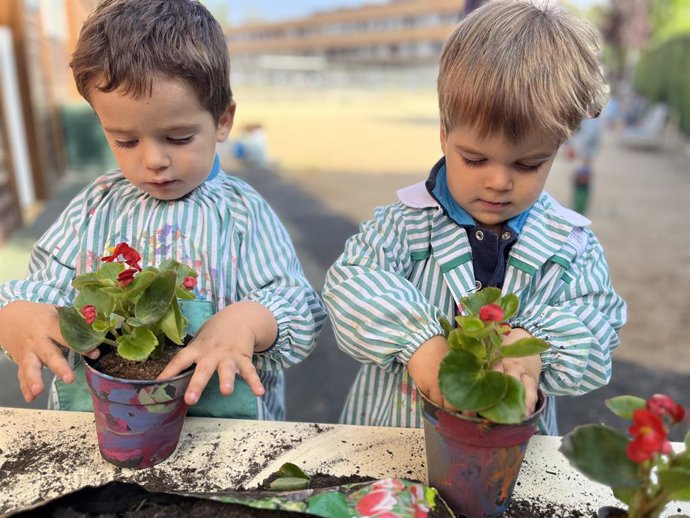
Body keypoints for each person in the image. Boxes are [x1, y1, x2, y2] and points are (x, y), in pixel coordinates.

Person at [0, 0, 325, 421]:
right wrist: (16, 312)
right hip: (107, 425)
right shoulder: (96, 205)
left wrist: (248, 321)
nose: (153, 160)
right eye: (126, 141)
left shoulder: (242, 213)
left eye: (178, 137)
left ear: (222, 120)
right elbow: (47, 287)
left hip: (226, 434)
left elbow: (298, 305)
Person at [323, 1, 626, 435]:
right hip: (394, 437)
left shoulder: (570, 245)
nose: (499, 182)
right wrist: (421, 343)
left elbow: (598, 324)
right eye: (475, 158)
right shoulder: (405, 225)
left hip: (511, 456)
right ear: (445, 135)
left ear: (556, 151)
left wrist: (532, 349)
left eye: (528, 165)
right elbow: (352, 282)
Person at [564, 116, 603, 215]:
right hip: (585, 156)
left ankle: (580, 208)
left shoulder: (590, 121)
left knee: (582, 180)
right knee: (580, 180)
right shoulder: (591, 120)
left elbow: (588, 136)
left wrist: (574, 148)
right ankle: (579, 206)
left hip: (584, 156)